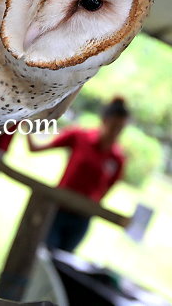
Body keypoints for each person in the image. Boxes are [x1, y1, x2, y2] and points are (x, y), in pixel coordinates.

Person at [27, 97, 129, 252]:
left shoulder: (118, 159)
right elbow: (35, 148)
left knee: (62, 259)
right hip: (59, 209)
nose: (115, 133)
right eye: (114, 126)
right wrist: (26, 122)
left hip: (82, 218)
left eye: (120, 129)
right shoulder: (80, 137)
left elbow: (107, 189)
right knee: (43, 251)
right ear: (104, 121)